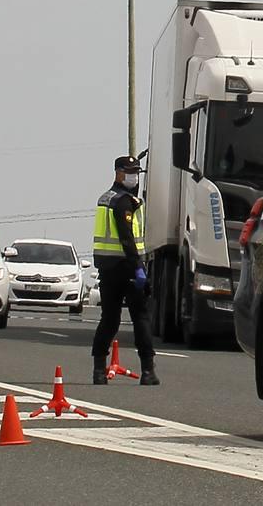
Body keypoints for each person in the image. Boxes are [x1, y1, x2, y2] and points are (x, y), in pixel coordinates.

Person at [91, 155, 158, 386]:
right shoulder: (123, 202)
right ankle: (148, 370)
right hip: (126, 268)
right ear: (118, 173)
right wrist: (139, 268)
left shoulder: (105, 198)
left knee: (109, 319)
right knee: (140, 317)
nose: (134, 176)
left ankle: (99, 369)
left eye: (137, 172)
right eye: (130, 172)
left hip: (107, 268)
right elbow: (128, 239)